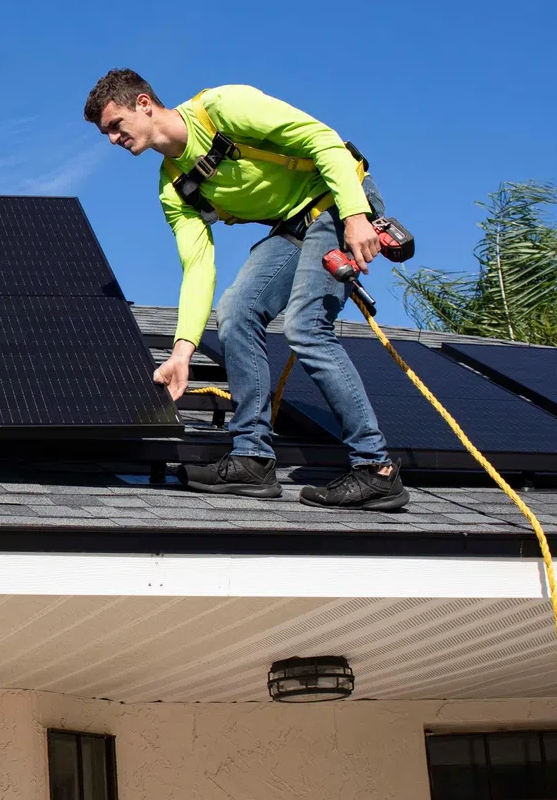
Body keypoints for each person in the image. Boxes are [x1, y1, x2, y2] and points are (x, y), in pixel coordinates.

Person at [83, 69, 408, 510]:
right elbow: (198, 267)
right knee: (235, 312)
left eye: (115, 126)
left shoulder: (222, 109)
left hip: (336, 199)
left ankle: (376, 468)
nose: (112, 140)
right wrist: (182, 353)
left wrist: (355, 216)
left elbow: (325, 141)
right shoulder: (174, 188)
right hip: (293, 227)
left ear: (143, 103)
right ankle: (253, 457)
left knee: (306, 327)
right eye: (106, 133)